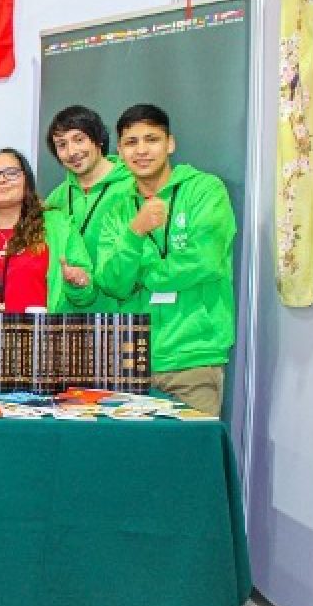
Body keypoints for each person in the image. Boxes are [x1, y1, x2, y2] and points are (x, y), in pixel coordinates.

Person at [95, 104, 236, 416]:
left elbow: (205, 261)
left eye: (152, 139)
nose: (141, 150)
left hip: (194, 359)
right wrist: (135, 233)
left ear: (170, 143)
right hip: (132, 361)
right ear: (120, 151)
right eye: (131, 142)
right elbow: (112, 282)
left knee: (190, 446)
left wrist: (145, 275)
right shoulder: (118, 210)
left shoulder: (205, 190)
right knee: (136, 448)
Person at [0, 148, 94, 313]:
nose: (1, 180)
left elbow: (86, 295)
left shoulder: (58, 226)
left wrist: (78, 283)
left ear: (27, 181)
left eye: (11, 173)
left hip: (43, 329)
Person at [42, 105, 133, 312]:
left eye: (79, 139)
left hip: (121, 312)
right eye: (61, 145)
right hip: (68, 315)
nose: (72, 152)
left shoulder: (133, 187)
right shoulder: (55, 199)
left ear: (98, 139)